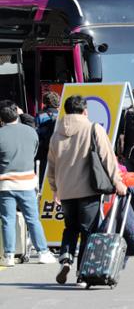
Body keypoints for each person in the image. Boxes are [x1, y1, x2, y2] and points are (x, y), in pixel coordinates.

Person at [47, 95, 127, 285]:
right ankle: (83, 274)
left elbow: (51, 165)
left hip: (65, 190)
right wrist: (117, 182)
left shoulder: (56, 132)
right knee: (88, 232)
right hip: (88, 189)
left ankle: (66, 257)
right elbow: (108, 158)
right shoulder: (93, 128)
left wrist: (55, 189)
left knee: (70, 228)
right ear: (85, 111)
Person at [0, 101, 57, 267]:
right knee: (33, 219)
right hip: (26, 182)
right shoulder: (31, 132)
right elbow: (34, 152)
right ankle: (43, 252)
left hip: (5, 184)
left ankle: (9, 255)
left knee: (7, 220)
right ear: (17, 113)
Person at [35, 91, 60, 184]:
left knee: (43, 176)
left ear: (44, 102)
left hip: (43, 151)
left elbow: (36, 133)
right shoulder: (61, 115)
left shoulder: (40, 115)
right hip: (58, 150)